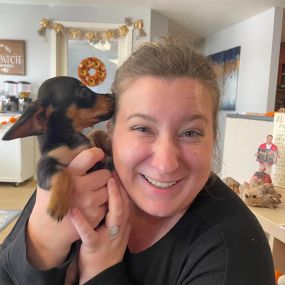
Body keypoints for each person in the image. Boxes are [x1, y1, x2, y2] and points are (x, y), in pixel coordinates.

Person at [0, 39, 275, 285]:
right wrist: (42, 245)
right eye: (142, 128)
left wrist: (102, 271)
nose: (166, 163)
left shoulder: (234, 250)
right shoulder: (73, 178)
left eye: (190, 133)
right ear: (110, 132)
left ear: (213, 137)